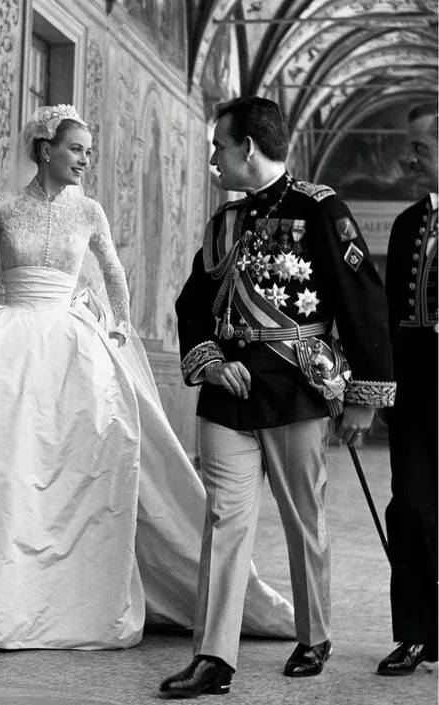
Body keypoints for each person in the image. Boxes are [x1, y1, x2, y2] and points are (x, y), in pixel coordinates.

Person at [0, 104, 295, 655]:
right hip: (4, 346)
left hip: (70, 349)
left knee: (67, 473)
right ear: (45, 150)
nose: (86, 160)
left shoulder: (89, 212)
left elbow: (113, 272)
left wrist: (120, 328)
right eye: (76, 149)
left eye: (89, 151)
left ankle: (61, 603)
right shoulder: (2, 207)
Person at [159, 96, 396, 698]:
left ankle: (314, 636)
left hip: (295, 390)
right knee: (223, 520)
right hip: (229, 395)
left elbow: (362, 301)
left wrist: (365, 396)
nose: (213, 158)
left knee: (304, 518)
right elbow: (193, 304)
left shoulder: (321, 210)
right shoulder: (224, 223)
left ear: (248, 148)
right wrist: (211, 362)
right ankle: (213, 657)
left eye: (219, 146)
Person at [377, 102, 438, 676]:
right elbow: (388, 315)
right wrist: (377, 389)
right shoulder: (405, 225)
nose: (409, 157)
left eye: (419, 147)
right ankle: (417, 634)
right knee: (412, 508)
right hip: (416, 391)